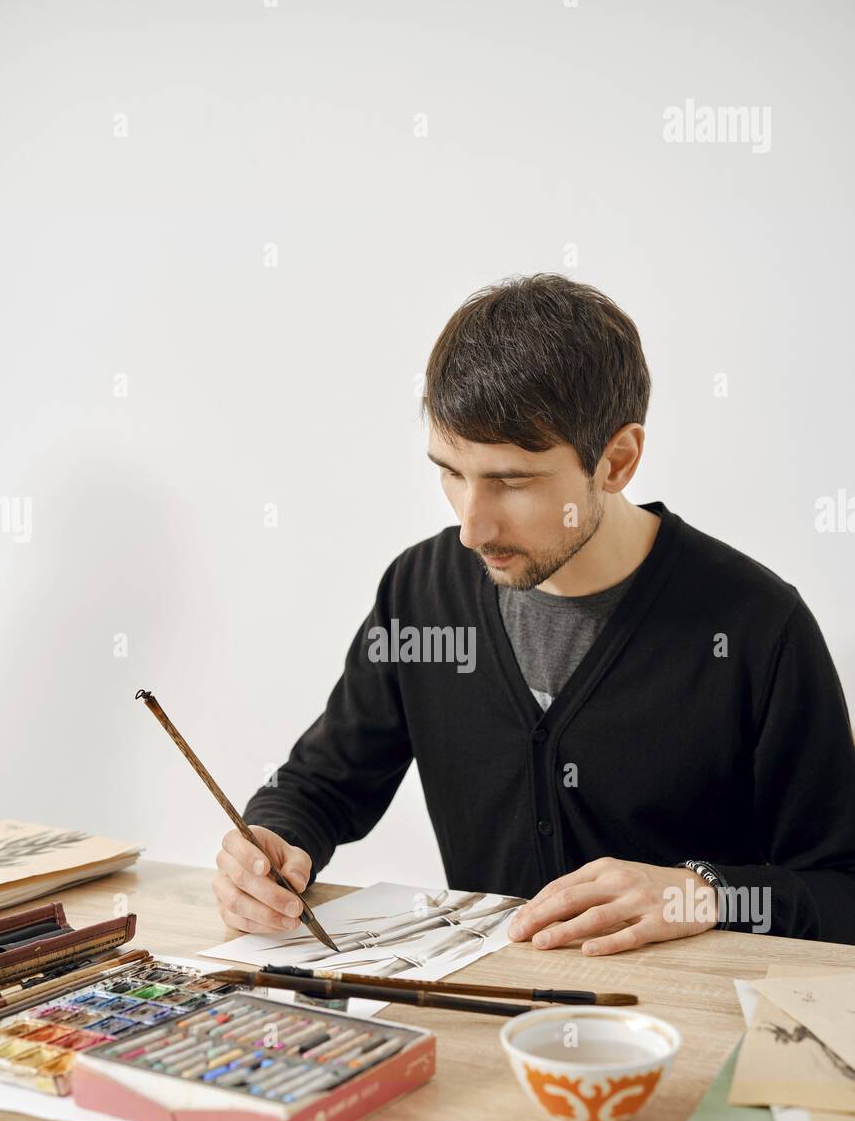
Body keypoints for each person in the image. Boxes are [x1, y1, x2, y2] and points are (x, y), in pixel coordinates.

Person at [214, 273, 855, 951]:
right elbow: (322, 784)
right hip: (487, 1019)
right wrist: (272, 845)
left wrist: (701, 891)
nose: (471, 527)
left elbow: (841, 888)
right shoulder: (422, 593)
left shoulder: (758, 625)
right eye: (451, 473)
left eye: (510, 482)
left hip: (688, 1032)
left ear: (617, 461)